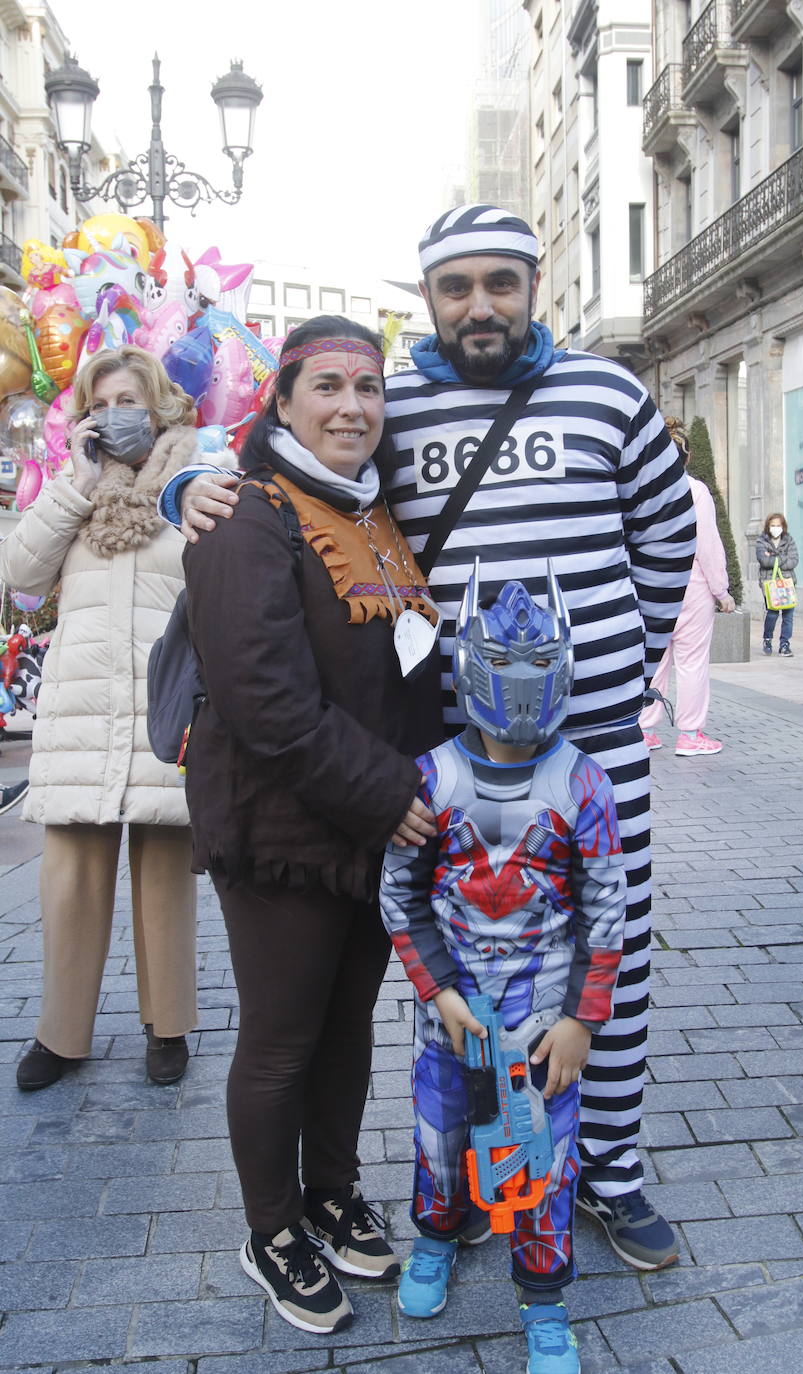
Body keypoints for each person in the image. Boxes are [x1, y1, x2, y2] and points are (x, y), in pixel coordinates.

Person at [163, 204, 696, 1272]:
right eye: (457, 288)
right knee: (447, 955)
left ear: (535, 284)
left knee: (609, 947)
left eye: (501, 282)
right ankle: (457, 1172)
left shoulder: (609, 391)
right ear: (428, 300)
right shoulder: (390, 396)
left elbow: (667, 536)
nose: (481, 306)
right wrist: (187, 486)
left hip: (591, 745)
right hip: (450, 750)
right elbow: (291, 462)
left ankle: (612, 1171)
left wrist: (621, 669)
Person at [181, 317, 443, 1335]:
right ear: (282, 400)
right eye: (327, 386)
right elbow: (265, 702)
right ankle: (271, 1228)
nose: (352, 407)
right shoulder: (245, 518)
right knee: (283, 1039)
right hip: (284, 826)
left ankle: (331, 1193)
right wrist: (391, 797)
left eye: (369, 388)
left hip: (374, 824)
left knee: (345, 1031)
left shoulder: (375, 512)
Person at [381, 567, 627, 1374]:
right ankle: (436, 1238)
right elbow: (400, 895)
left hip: (543, 1023)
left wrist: (582, 1022)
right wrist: (441, 993)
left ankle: (545, 1299)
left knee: (547, 1160)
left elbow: (606, 907)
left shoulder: (580, 780)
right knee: (439, 1138)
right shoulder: (432, 777)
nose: (520, 696)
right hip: (450, 1016)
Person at [0, 345, 201, 1091]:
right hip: (82, 710)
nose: (117, 417)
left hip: (164, 707)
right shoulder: (69, 489)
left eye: (130, 401)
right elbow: (19, 576)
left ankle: (170, 1024)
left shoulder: (192, 484)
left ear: (160, 406)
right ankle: (61, 1035)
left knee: (164, 874)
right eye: (102, 403)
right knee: (71, 879)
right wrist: (77, 485)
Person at [640, 418, 735, 756]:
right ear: (687, 457)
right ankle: (690, 734)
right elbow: (708, 545)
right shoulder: (695, 490)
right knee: (692, 661)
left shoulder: (645, 491)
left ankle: (645, 729)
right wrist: (722, 591)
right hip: (691, 586)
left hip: (650, 586)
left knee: (655, 659)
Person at [756, 513, 798, 656]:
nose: (775, 528)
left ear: (783, 526)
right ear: (768, 526)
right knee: (772, 613)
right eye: (773, 525)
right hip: (769, 584)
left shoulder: (789, 540)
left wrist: (773, 558)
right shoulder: (762, 541)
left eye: (778, 525)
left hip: (787, 583)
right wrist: (782, 558)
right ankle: (767, 639)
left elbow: (794, 560)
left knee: (788, 615)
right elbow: (763, 561)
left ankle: (784, 644)